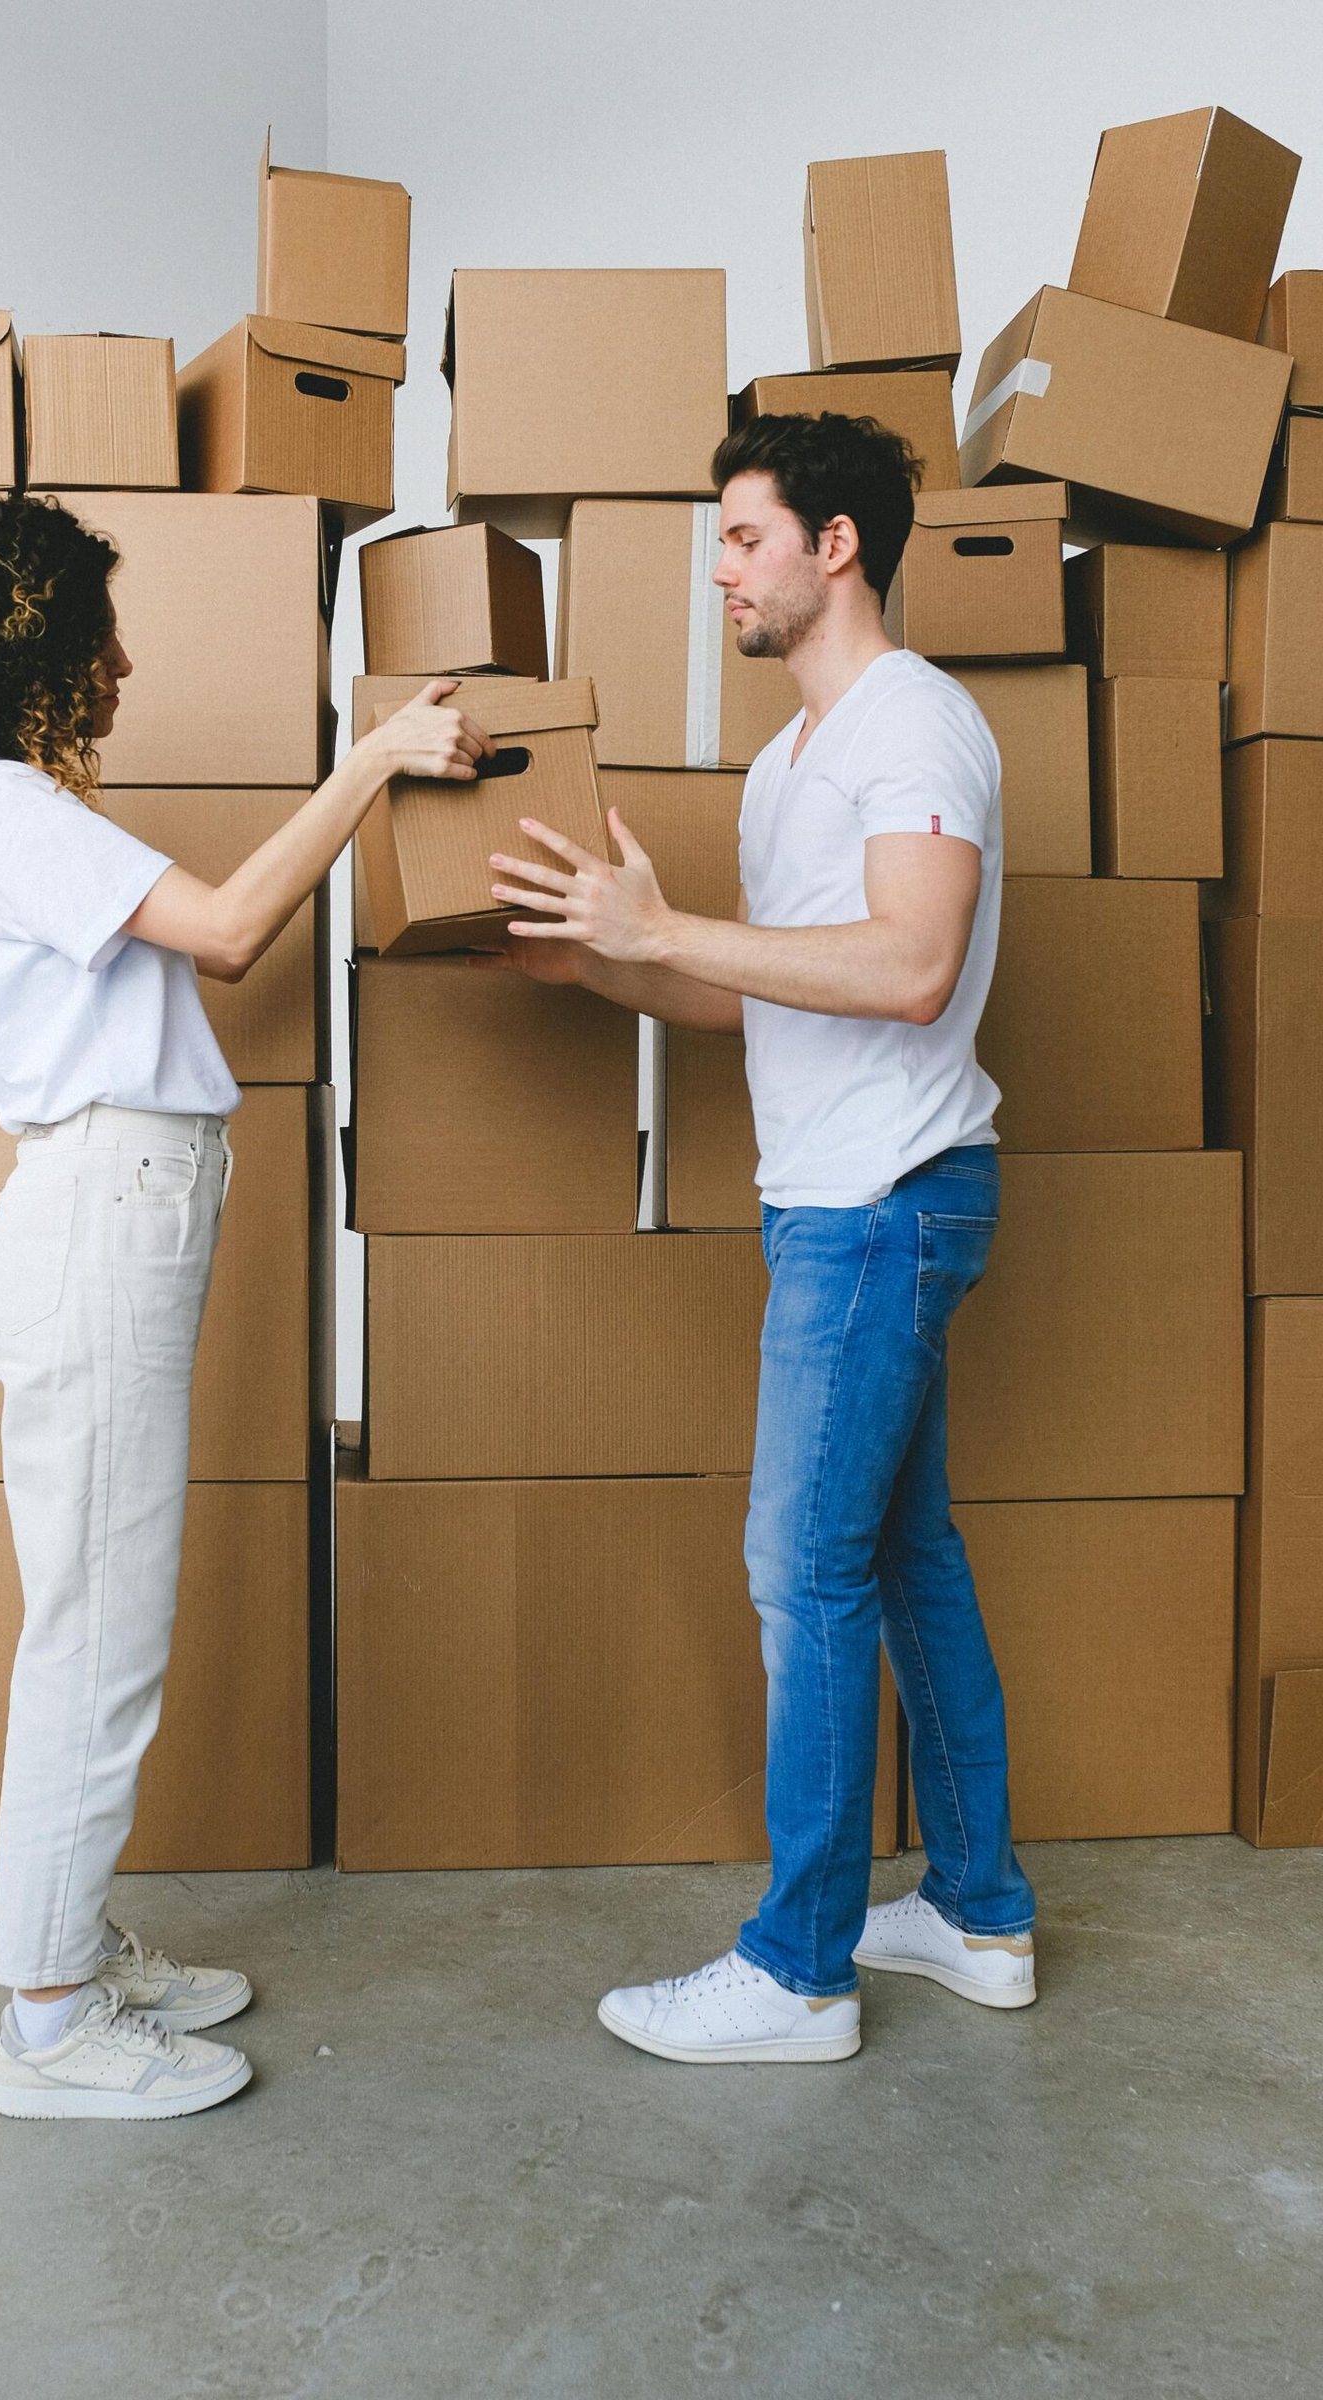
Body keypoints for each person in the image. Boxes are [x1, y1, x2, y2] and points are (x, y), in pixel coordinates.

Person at [0, 493, 493, 2119]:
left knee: (102, 1604)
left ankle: (70, 1945)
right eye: (101, 634)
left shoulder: (13, 806)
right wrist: (372, 762)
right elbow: (231, 931)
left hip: (119, 1213)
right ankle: (45, 2030)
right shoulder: (10, 805)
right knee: (101, 1625)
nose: (125, 664)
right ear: (36, 644)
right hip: (99, 1219)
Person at [487, 413, 1037, 2063]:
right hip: (839, 1197)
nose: (719, 569)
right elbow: (754, 998)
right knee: (904, 1559)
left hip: (884, 1206)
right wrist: (606, 962)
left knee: (801, 1572)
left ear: (836, 545)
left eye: (741, 537)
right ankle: (977, 1913)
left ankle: (801, 1969)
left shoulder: (911, 727)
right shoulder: (788, 764)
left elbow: (913, 965)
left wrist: (665, 924)